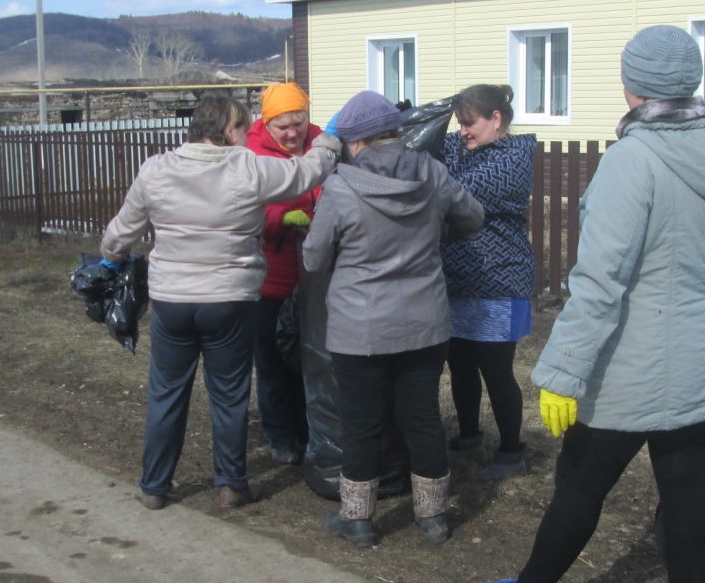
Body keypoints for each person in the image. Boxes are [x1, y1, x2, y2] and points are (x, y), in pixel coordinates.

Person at [473, 24, 705, 583]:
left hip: (632, 363)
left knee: (580, 483)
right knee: (690, 489)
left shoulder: (633, 159)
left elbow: (601, 281)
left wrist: (563, 372)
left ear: (632, 84)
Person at [100, 93, 341, 510]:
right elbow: (306, 173)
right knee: (229, 394)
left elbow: (121, 232)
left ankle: (155, 486)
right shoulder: (247, 167)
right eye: (244, 128)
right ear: (227, 130)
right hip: (230, 299)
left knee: (166, 392)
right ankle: (232, 483)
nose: (249, 135)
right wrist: (329, 140)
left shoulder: (156, 169)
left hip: (172, 300)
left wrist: (109, 258)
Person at [302, 90, 484, 546]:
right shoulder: (433, 173)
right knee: (421, 418)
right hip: (425, 322)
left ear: (355, 141)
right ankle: (433, 518)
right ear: (396, 134)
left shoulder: (342, 187)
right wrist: (436, 231)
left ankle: (358, 520)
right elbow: (473, 219)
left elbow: (313, 259)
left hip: (358, 327)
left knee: (360, 422)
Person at [439, 84, 537, 481]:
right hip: (457, 281)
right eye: (459, 122)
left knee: (496, 371)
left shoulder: (513, 160)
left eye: (470, 122)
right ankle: (468, 439)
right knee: (459, 365)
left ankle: (511, 453)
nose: (463, 130)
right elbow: (426, 147)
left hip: (500, 281)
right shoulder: (461, 147)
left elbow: (454, 191)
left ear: (496, 119)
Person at [245, 82, 321, 465]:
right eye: (283, 126)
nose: (293, 133)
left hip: (315, 280)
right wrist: (278, 219)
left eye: (300, 122)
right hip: (270, 280)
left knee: (311, 364)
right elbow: (247, 209)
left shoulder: (323, 145)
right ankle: (280, 436)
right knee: (273, 363)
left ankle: (312, 434)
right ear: (267, 123)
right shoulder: (251, 152)